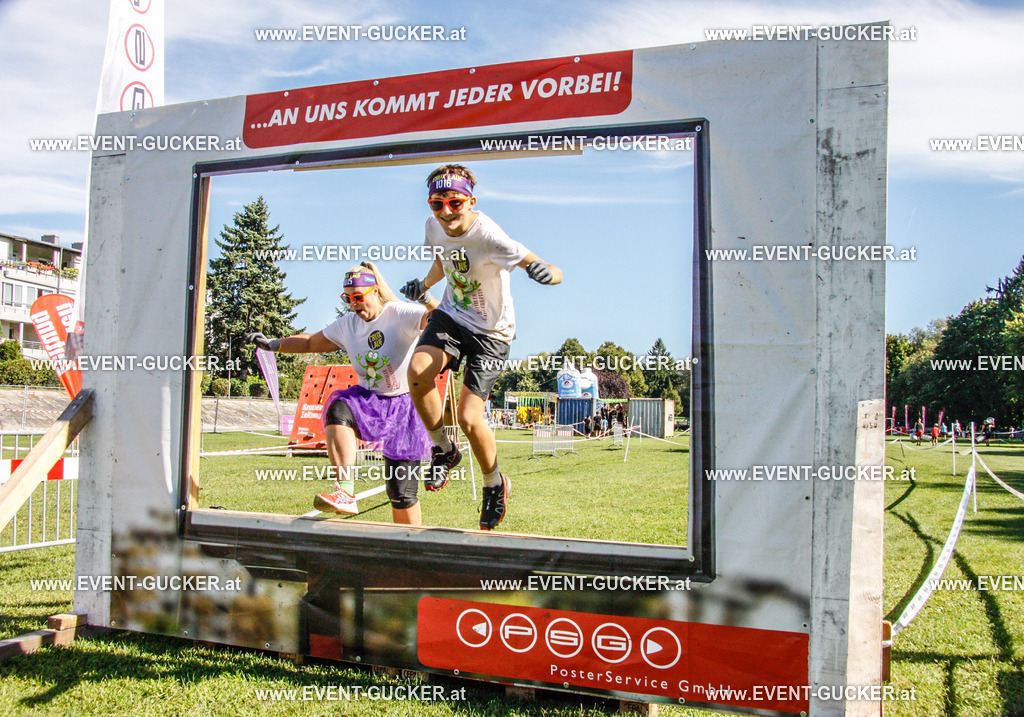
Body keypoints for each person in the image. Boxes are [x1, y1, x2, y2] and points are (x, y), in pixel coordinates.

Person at [402, 164, 563, 530]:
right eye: (437, 204)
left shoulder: (490, 236)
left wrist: (546, 275)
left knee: (471, 418)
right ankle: (443, 448)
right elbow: (444, 262)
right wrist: (422, 287)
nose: (446, 213)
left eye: (455, 203)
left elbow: (548, 266)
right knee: (417, 371)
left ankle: (494, 483)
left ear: (470, 201)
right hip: (453, 317)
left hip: (493, 332)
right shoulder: (434, 227)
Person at [247, 262, 437, 525]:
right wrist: (273, 344)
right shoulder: (348, 325)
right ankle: (345, 492)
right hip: (370, 401)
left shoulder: (400, 314)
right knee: (339, 408)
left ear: (375, 292)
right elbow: (312, 342)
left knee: (401, 493)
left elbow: (441, 319)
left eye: (358, 297)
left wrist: (427, 299)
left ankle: (412, 547)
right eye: (347, 299)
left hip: (405, 407)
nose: (353, 305)